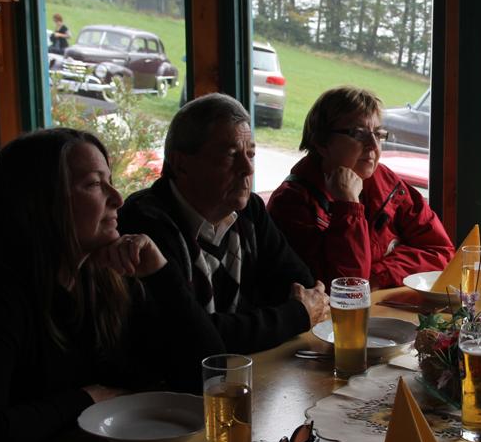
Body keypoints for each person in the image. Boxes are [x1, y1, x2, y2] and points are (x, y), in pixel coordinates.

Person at [0, 128, 226, 442]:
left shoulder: (104, 279)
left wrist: (160, 273)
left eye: (110, 180)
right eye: (94, 184)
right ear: (40, 201)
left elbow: (211, 376)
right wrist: (86, 398)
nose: (117, 197)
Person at [119, 93, 328, 354]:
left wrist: (276, 319)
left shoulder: (250, 210)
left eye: (250, 154)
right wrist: (292, 317)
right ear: (181, 163)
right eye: (230, 155)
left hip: (247, 375)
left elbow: (305, 289)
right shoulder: (146, 224)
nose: (247, 168)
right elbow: (193, 338)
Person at [267, 86, 454, 289]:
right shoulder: (291, 204)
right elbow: (349, 288)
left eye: (378, 133)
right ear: (322, 143)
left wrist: (377, 275)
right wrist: (347, 206)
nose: (373, 145)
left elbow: (441, 251)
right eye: (358, 133)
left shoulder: (385, 182)